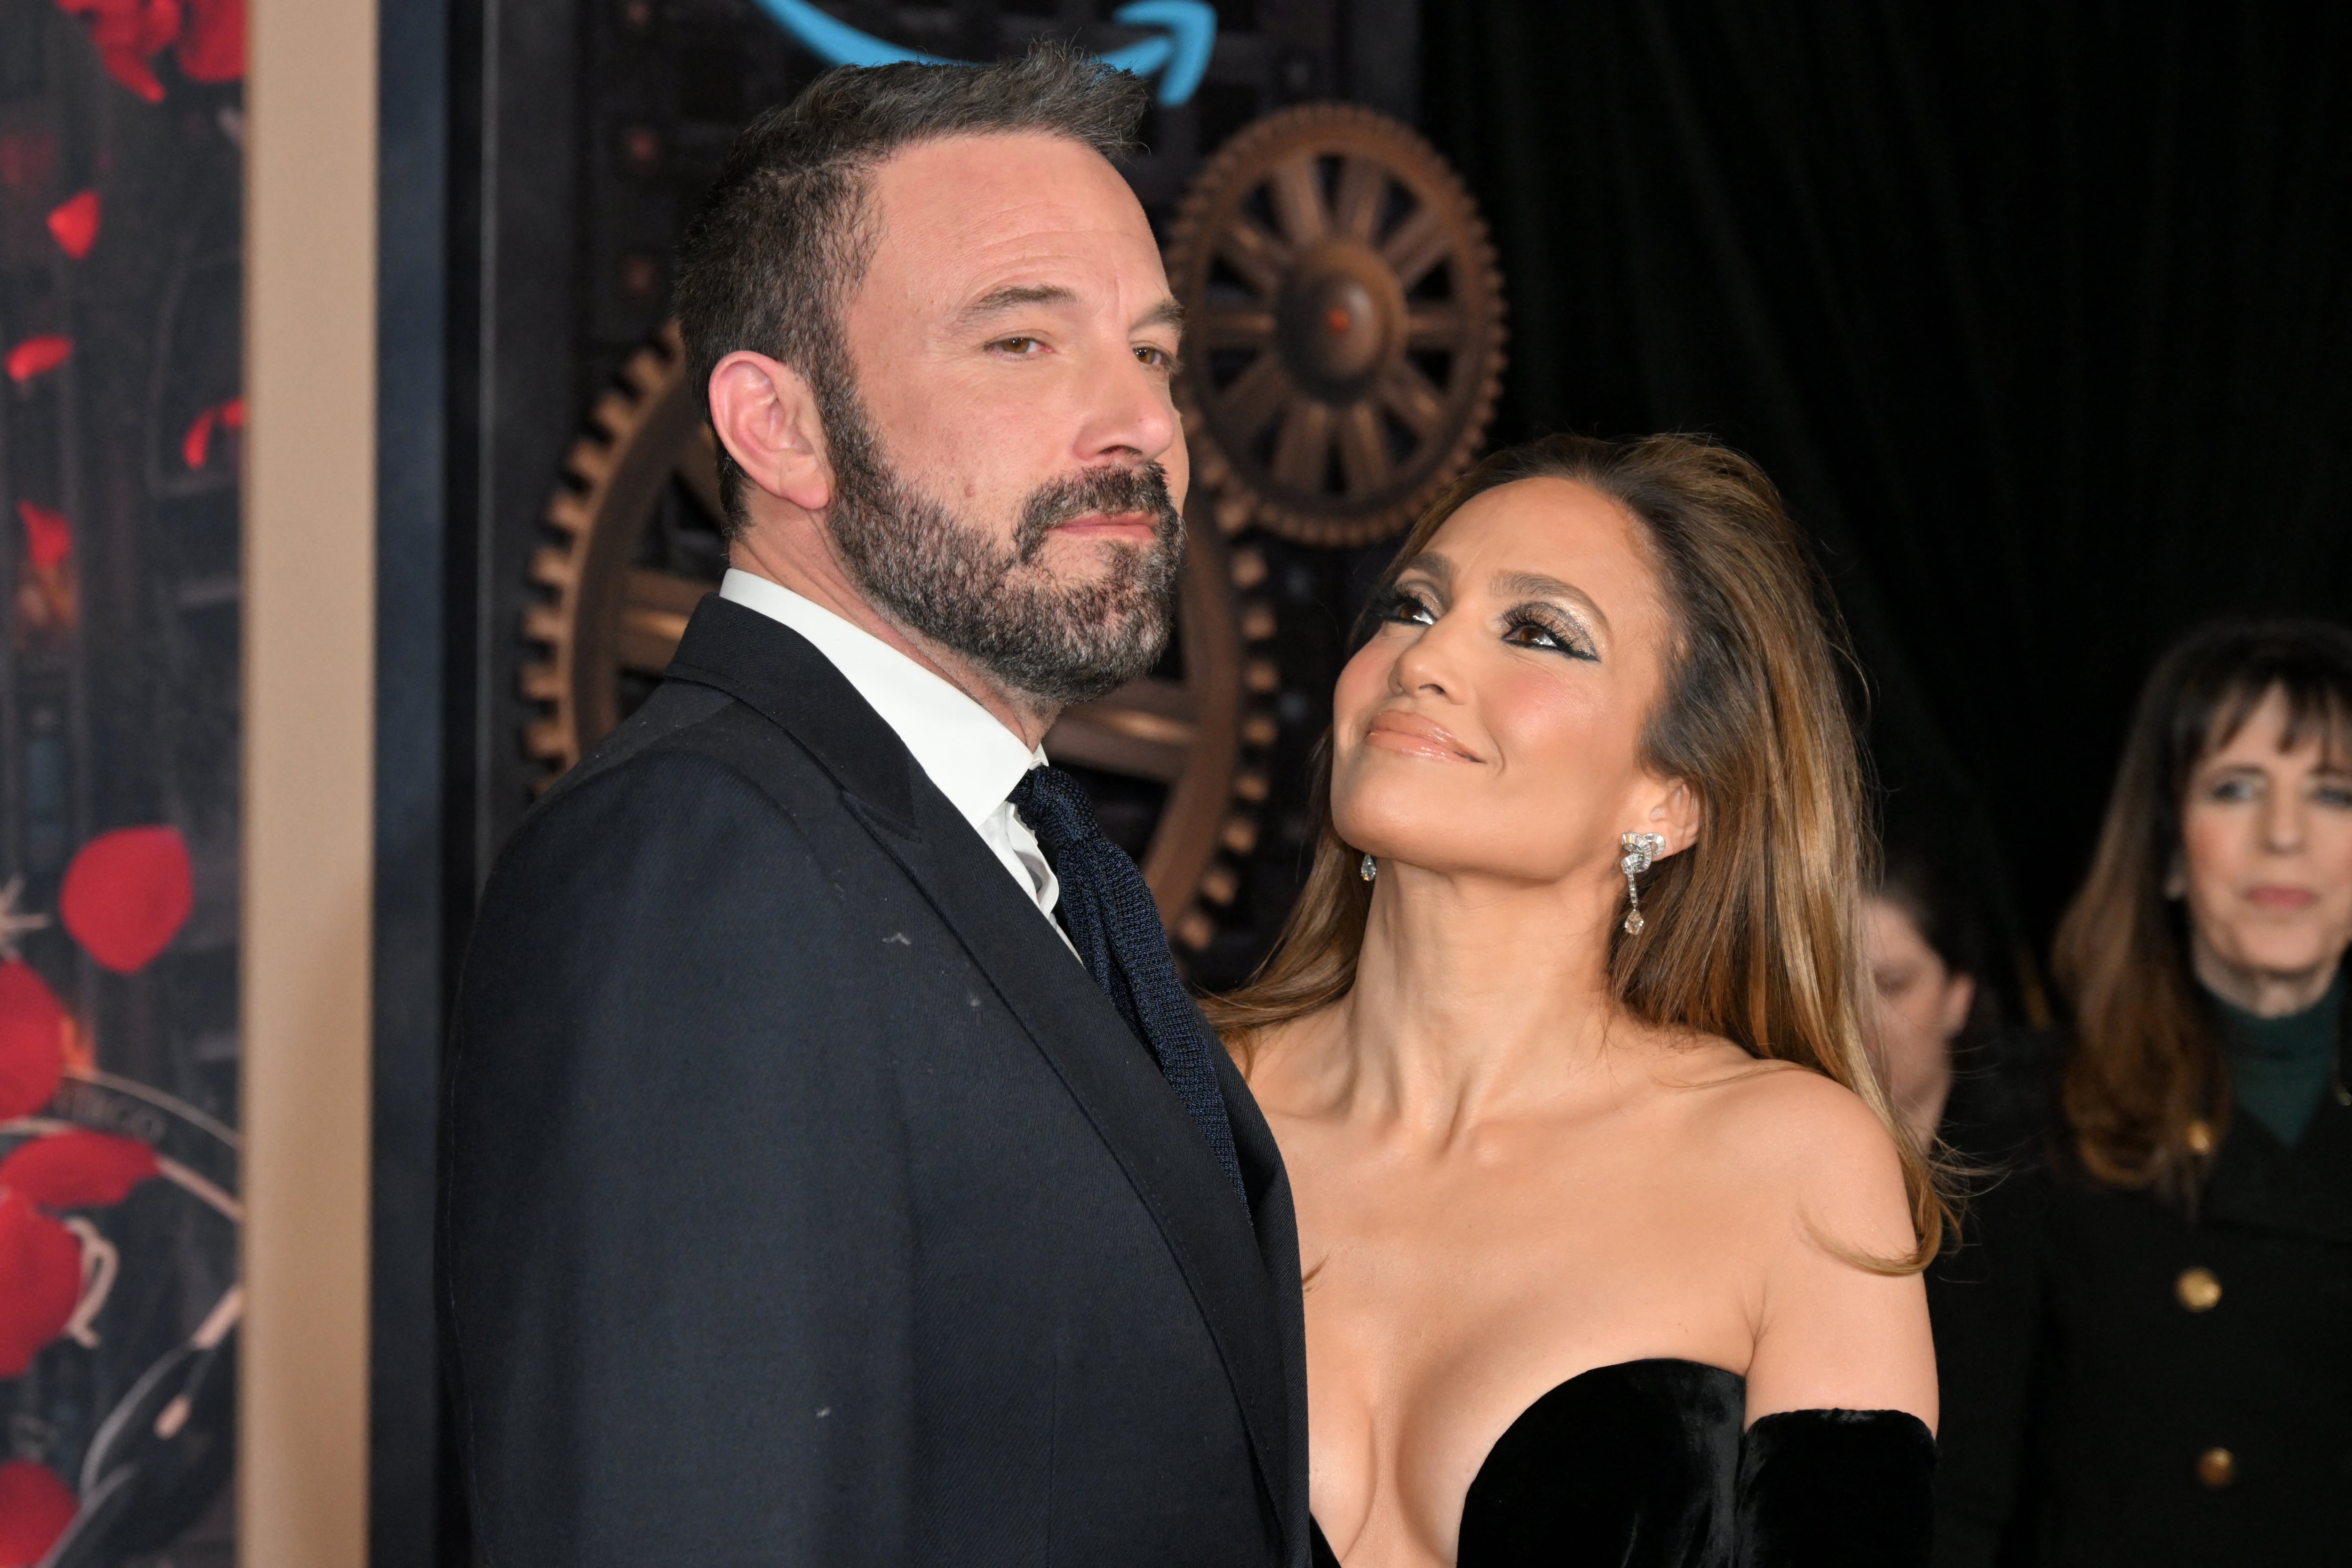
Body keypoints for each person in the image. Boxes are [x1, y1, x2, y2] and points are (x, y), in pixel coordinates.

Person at [440, 49, 1308, 1566]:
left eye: (1154, 354)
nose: (1140, 424)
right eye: (1024, 342)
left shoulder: (1032, 864)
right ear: (779, 427)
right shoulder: (695, 873)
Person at [1207, 433, 1941, 1568]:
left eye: (1537, 631)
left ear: (1670, 793)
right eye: (1408, 606)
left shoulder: (1792, 1163)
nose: (1425, 657)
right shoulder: (1180, 1102)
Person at [1929, 619, 2352, 1567]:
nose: (2282, 835)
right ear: (2167, 845)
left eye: (2332, 793)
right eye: (2235, 787)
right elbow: (1956, 1495)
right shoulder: (2022, 1107)